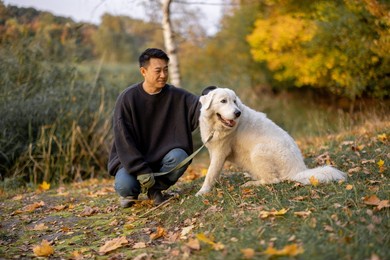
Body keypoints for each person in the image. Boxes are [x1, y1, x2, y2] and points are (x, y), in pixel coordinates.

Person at [108, 48, 202, 208]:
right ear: (143, 71)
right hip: (132, 161)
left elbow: (201, 106)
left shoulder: (177, 95)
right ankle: (131, 193)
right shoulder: (127, 98)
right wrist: (141, 169)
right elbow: (124, 139)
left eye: (166, 70)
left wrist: (213, 95)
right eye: (158, 71)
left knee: (180, 156)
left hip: (163, 159)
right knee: (125, 186)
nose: (163, 75)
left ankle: (155, 190)